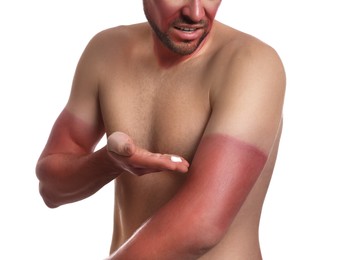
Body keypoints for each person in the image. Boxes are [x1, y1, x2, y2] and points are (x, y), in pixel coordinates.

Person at [36, 0, 286, 259]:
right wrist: (110, 162)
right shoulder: (106, 51)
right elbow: (51, 188)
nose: (196, 13)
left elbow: (202, 225)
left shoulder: (252, 63)